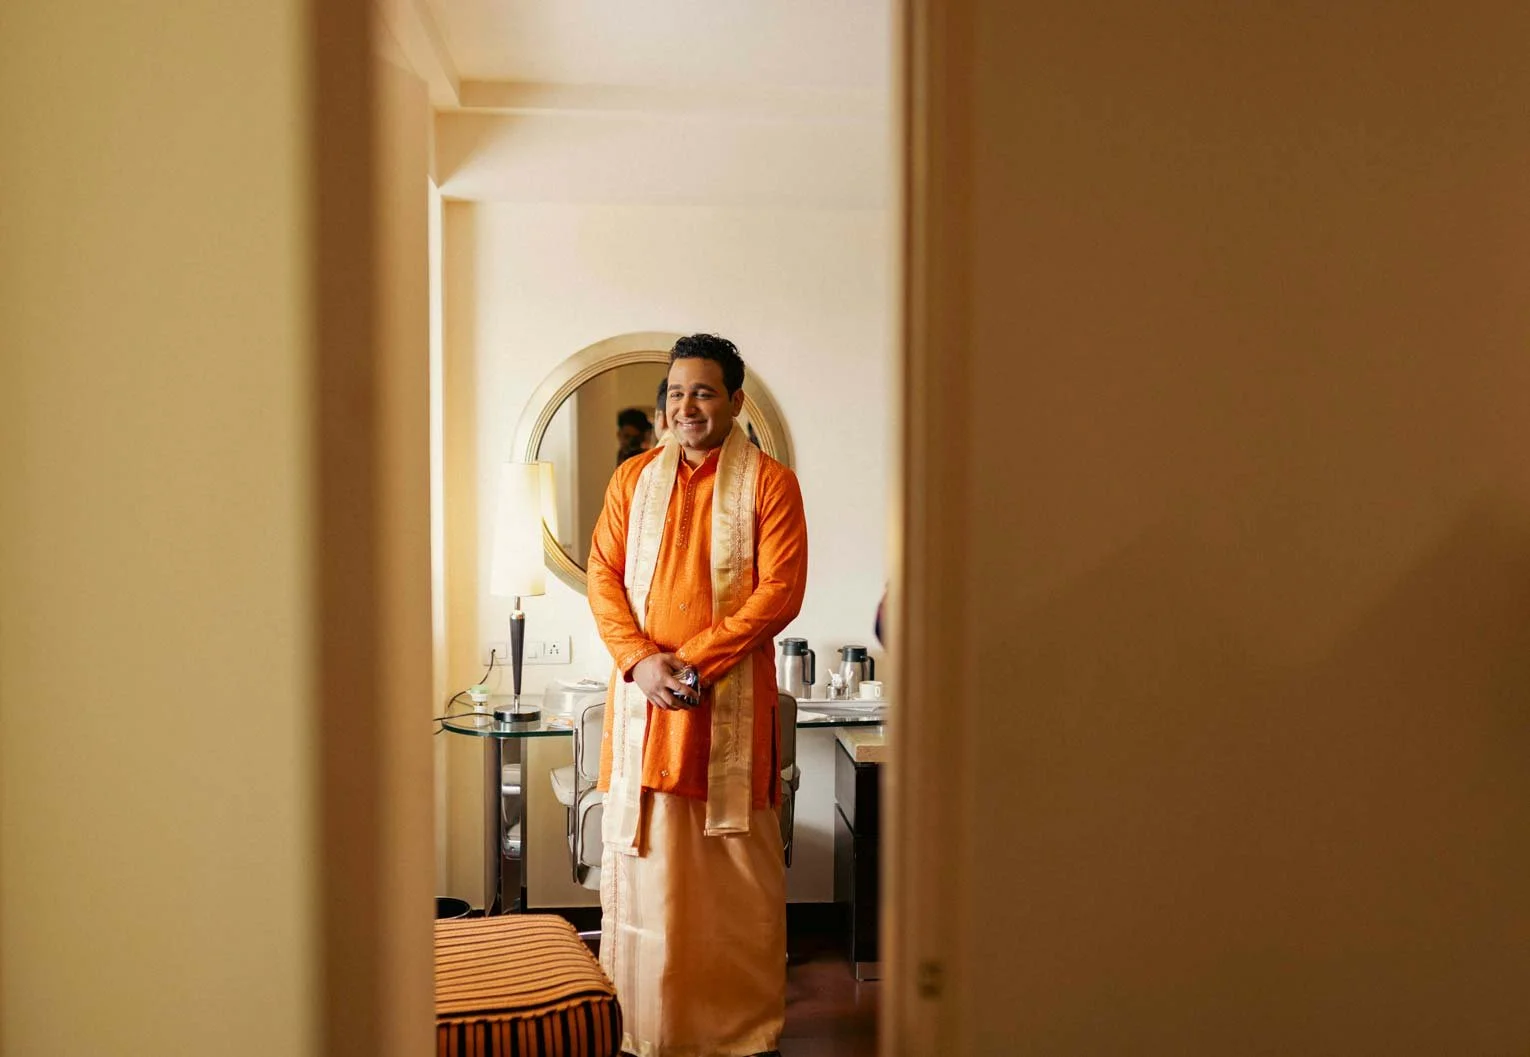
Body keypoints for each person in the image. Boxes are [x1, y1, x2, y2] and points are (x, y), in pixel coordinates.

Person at [587, 333, 808, 1057]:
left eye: (704, 392)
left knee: (732, 884)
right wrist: (641, 664)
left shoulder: (770, 484)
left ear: (735, 401)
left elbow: (780, 593)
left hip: (727, 716)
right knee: (653, 879)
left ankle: (740, 1035)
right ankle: (650, 1029)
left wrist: (693, 663)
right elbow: (603, 578)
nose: (686, 406)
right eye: (676, 392)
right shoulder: (631, 482)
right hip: (647, 712)